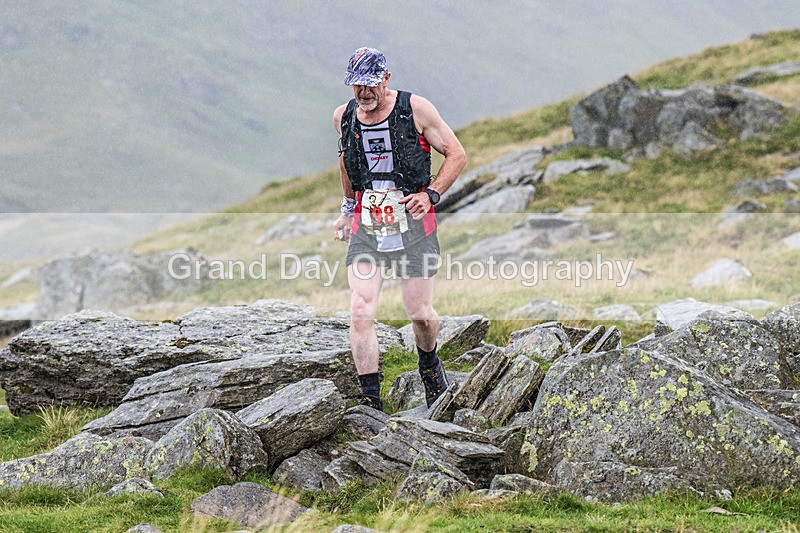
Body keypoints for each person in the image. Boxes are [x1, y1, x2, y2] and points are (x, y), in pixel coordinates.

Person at [332, 47, 467, 412]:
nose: (364, 93)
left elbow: (456, 154)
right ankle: (370, 402)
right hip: (367, 224)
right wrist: (347, 210)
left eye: (371, 85)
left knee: (419, 312)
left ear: (386, 79)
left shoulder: (416, 109)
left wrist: (432, 194)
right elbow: (346, 162)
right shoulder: (343, 117)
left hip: (414, 225)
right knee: (360, 307)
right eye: (357, 85)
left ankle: (429, 366)